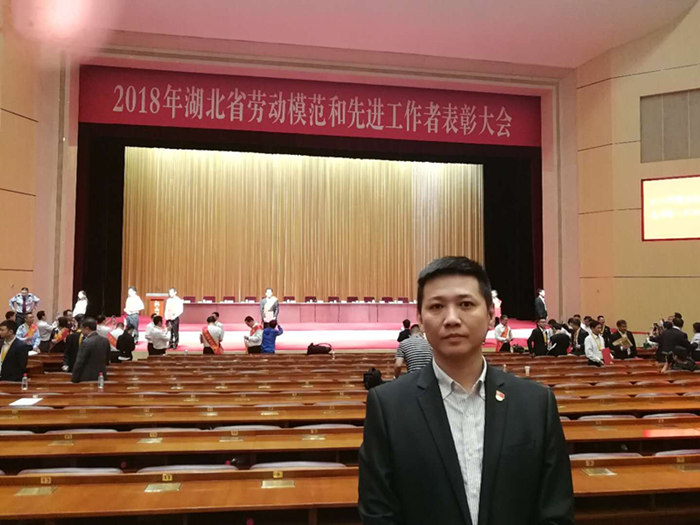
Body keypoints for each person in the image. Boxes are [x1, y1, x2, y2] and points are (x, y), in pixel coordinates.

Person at [358, 256, 574, 525]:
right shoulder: (388, 406)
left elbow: (555, 512)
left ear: (490, 315)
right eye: (437, 306)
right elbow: (378, 514)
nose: (451, 319)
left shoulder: (536, 404)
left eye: (466, 305)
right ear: (420, 320)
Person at [71, 317, 110, 383]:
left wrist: (74, 379)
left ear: (87, 328)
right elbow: (107, 359)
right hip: (101, 375)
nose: (81, 330)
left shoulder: (86, 342)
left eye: (82, 328)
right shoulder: (105, 340)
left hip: (87, 377)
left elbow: (80, 362)